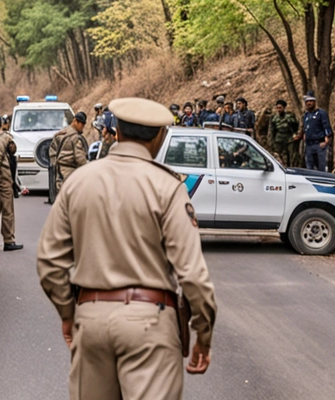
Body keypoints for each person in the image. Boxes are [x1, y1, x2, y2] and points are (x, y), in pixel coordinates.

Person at [37, 97, 217, 399]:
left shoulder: (79, 181)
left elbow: (49, 261)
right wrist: (203, 334)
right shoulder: (169, 188)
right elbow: (193, 275)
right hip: (151, 323)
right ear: (160, 137)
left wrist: (69, 313)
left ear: (116, 131)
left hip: (90, 319)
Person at [0, 114, 24, 252]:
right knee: (7, 210)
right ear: (1, 125)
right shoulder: (4, 138)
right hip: (2, 178)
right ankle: (8, 241)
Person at [48, 111, 88, 195]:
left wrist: (56, 163)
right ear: (75, 121)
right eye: (82, 124)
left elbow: (52, 151)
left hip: (59, 173)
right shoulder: (75, 137)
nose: (83, 127)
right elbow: (80, 158)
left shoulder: (60, 134)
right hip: (71, 173)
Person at [298, 91, 332, 172]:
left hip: (319, 144)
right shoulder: (306, 115)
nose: (309, 103)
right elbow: (305, 127)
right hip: (309, 145)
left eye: (311, 101)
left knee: (322, 168)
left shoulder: (321, 113)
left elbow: (326, 126)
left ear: (314, 102)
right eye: (307, 102)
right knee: (310, 168)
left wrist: (326, 139)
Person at [269, 100, 299, 167]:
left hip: (289, 137)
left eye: (280, 108)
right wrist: (271, 140)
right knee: (278, 155)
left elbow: (295, 126)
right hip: (279, 138)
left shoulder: (289, 116)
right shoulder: (274, 118)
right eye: (277, 108)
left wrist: (295, 134)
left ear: (284, 108)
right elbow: (272, 130)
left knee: (291, 156)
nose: (279, 110)